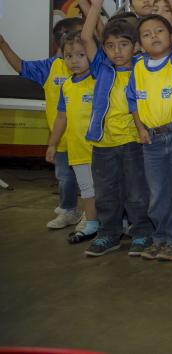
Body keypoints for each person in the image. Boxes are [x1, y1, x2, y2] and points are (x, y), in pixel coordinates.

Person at [80, 0, 154, 257]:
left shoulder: (141, 67)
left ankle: (142, 232)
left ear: (136, 47)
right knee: (106, 192)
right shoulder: (101, 68)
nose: (117, 51)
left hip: (134, 141)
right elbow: (86, 38)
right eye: (110, 46)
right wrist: (95, 5)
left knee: (136, 192)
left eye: (123, 45)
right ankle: (108, 234)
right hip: (103, 143)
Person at [128, 0, 172, 262]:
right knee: (156, 193)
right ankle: (160, 237)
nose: (154, 36)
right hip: (151, 141)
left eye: (159, 31)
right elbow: (133, 101)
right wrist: (140, 128)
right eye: (146, 34)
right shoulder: (138, 67)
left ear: (171, 37)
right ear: (140, 45)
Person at [0, 17, 83, 229]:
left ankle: (94, 216)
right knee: (65, 178)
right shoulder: (50, 67)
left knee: (93, 181)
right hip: (62, 140)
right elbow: (21, 66)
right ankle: (68, 210)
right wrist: (3, 44)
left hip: (89, 139)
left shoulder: (95, 65)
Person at [45, 30, 99, 243]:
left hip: (100, 148)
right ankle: (91, 222)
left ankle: (112, 221)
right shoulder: (66, 85)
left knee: (103, 188)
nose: (74, 61)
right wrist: (52, 144)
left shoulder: (97, 80)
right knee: (86, 189)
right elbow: (61, 117)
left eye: (80, 55)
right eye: (68, 56)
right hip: (77, 149)